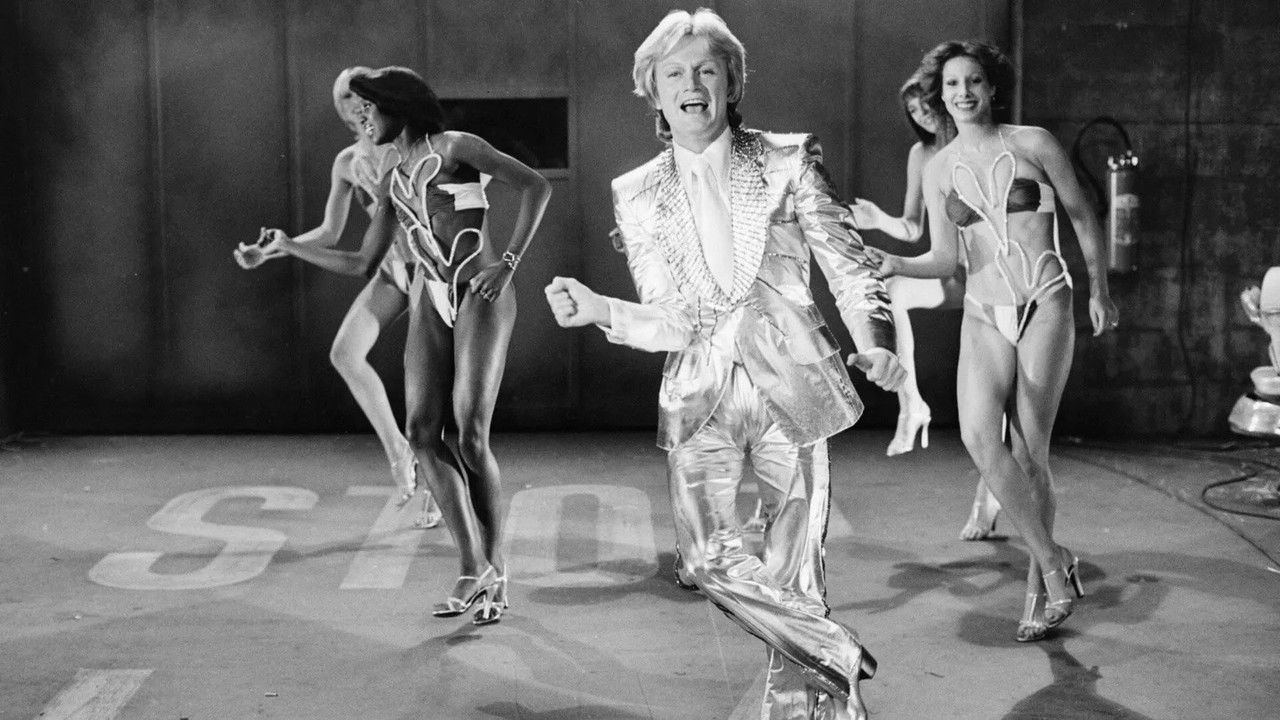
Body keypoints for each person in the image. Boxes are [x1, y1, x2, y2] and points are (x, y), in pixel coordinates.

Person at [545, 10, 902, 718]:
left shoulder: (788, 158)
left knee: (795, 573)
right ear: (652, 90)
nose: (692, 84)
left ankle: (807, 709)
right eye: (674, 73)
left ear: (731, 82)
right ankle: (834, 652)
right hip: (699, 395)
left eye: (707, 69)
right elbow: (673, 317)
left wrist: (877, 338)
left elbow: (847, 261)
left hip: (793, 385)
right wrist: (603, 309)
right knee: (708, 562)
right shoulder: (634, 191)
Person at [265, 65, 552, 626]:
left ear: (399, 107)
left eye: (370, 107)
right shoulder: (392, 179)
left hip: (481, 294)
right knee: (422, 432)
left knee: (470, 435)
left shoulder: (455, 147)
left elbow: (535, 186)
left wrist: (509, 263)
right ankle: (472, 568)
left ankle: (497, 567)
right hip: (430, 299)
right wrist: (290, 247)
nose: (363, 118)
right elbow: (361, 262)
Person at [876, 40, 1118, 642]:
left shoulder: (1032, 143)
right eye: (952, 84)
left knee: (1031, 453)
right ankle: (1057, 559)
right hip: (984, 312)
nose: (963, 93)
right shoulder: (937, 168)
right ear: (940, 96)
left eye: (974, 81)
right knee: (981, 438)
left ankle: (1041, 588)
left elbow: (1082, 214)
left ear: (991, 88)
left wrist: (1100, 290)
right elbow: (944, 259)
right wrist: (896, 263)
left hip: (1045, 301)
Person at [235, 67, 442, 529]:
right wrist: (272, 250)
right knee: (345, 353)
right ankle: (399, 453)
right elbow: (330, 232)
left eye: (364, 98)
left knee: (425, 381)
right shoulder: (348, 161)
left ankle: (436, 484)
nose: (358, 107)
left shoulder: (405, 145)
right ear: (343, 112)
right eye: (348, 100)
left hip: (428, 270)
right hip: (391, 270)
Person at [849, 73, 1001, 540]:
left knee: (998, 399)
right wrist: (879, 219)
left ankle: (989, 497)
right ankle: (911, 403)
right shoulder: (922, 156)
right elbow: (914, 229)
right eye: (914, 111)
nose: (924, 116)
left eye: (927, 106)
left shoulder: (979, 145)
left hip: (990, 275)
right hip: (946, 271)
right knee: (894, 290)